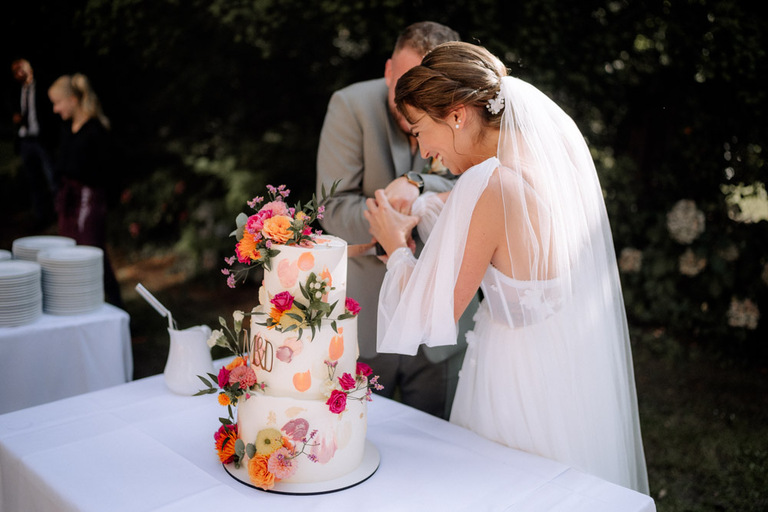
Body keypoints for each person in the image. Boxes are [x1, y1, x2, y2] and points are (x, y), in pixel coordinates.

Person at [364, 42, 650, 493]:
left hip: (515, 382)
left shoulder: (491, 183)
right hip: (565, 367)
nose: (423, 151)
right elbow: (501, 231)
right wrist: (425, 202)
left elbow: (433, 314)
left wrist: (395, 244)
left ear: (457, 115)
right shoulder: (547, 158)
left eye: (419, 130)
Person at [316, 21, 476, 420]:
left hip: (447, 320)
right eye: (403, 82)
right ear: (388, 71)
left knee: (444, 453)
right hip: (371, 321)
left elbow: (477, 180)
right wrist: (394, 218)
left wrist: (417, 182)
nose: (411, 100)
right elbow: (332, 211)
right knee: (365, 444)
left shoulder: (466, 111)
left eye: (426, 89)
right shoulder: (350, 107)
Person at [47, 73, 123, 308]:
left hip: (90, 202)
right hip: (70, 200)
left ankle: (116, 307)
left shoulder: (95, 131)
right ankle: (79, 304)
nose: (55, 109)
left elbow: (107, 173)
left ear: (73, 99)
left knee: (93, 254)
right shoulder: (69, 129)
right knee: (69, 254)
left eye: (57, 103)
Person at [10, 58, 58, 228]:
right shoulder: (16, 91)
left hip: (41, 139)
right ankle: (41, 217)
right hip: (25, 140)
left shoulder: (42, 87)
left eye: (19, 69)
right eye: (14, 72)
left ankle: (60, 213)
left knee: (52, 176)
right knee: (33, 180)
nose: (17, 74)